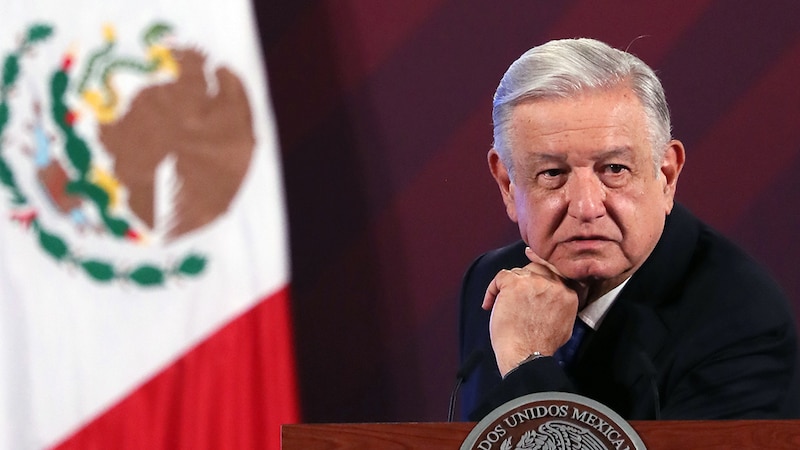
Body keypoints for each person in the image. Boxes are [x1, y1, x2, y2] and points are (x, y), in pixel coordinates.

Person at [458, 37, 800, 421]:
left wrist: (528, 363)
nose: (587, 207)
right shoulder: (494, 284)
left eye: (614, 170)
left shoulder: (741, 322)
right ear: (508, 184)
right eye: (552, 173)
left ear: (667, 176)